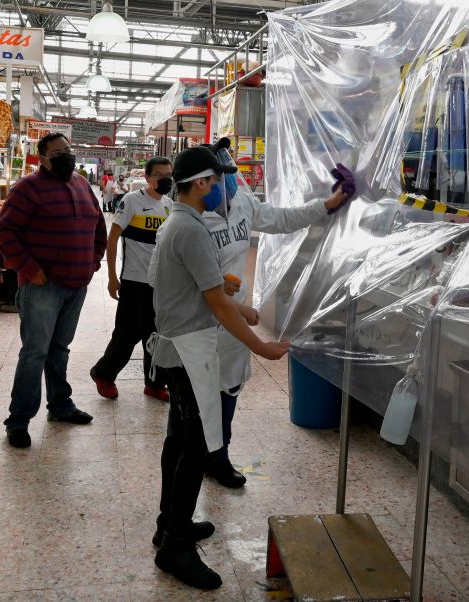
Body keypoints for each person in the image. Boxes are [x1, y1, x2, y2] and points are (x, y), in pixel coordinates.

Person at [148, 146, 290, 590]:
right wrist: (263, 348)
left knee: (179, 438)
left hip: (180, 346)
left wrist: (241, 306)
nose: (222, 189)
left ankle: (170, 520)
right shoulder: (189, 230)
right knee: (194, 448)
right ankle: (174, 546)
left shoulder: (180, 222)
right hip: (189, 352)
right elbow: (214, 303)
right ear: (199, 183)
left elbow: (210, 293)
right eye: (216, 181)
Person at [199, 138, 352, 488]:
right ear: (200, 182)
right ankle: (203, 457)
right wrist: (215, 285)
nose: (228, 185)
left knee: (230, 387)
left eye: (229, 177)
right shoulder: (189, 221)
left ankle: (218, 456)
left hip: (235, 319)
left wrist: (327, 205)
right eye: (219, 178)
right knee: (201, 393)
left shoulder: (241, 204)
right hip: (203, 320)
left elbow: (282, 219)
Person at [0, 132, 107, 448]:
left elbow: (99, 227)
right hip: (43, 287)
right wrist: (29, 269)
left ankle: (60, 405)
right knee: (35, 353)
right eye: (57, 152)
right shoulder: (26, 189)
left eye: (68, 150)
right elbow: (4, 230)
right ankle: (18, 421)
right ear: (42, 158)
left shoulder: (82, 185)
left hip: (76, 285)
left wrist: (93, 262)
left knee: (59, 349)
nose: (65, 155)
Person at [90, 157, 174, 402]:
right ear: (147, 178)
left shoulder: (170, 206)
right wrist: (112, 276)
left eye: (168, 174)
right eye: (159, 175)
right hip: (134, 280)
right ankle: (103, 373)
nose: (165, 179)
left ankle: (155, 383)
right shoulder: (132, 201)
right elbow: (113, 238)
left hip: (162, 283)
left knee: (157, 334)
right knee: (128, 333)